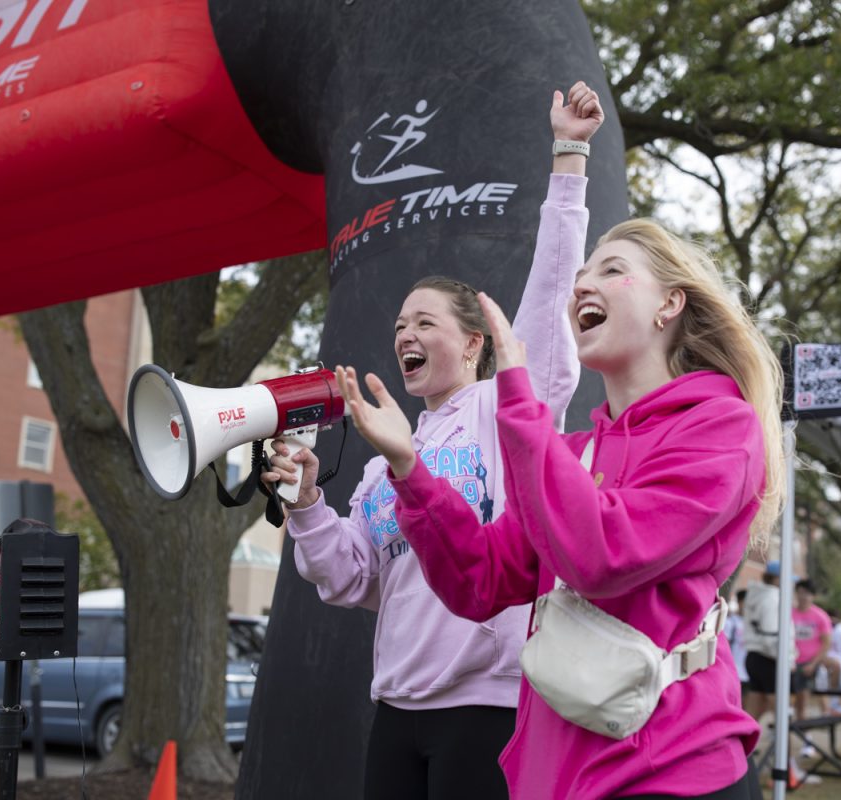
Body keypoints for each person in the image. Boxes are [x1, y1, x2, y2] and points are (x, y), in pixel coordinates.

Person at [337, 201, 787, 798]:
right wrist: (409, 468)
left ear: (669, 304)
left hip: (671, 770)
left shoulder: (720, 427)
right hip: (561, 775)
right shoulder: (576, 455)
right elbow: (482, 581)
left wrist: (518, 407)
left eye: (610, 270)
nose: (583, 285)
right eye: (581, 277)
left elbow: (603, 554)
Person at [262, 81, 603, 800]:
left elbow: (548, 292)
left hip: (491, 704)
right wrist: (305, 504)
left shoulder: (508, 402)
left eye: (424, 322)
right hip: (397, 707)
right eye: (397, 327)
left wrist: (569, 155)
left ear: (477, 341)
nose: (403, 335)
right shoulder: (389, 451)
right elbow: (351, 578)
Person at [742, 561, 794, 725]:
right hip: (770, 658)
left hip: (755, 656)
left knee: (753, 709)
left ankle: (744, 749)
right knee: (782, 713)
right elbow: (770, 635)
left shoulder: (757, 595)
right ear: (777, 579)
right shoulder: (772, 599)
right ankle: (784, 750)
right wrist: (787, 659)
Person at [791, 579, 833, 722]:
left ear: (813, 596)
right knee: (791, 703)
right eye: (800, 592)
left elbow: (826, 643)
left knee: (803, 701)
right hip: (792, 664)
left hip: (810, 664)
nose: (803, 597)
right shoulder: (789, 614)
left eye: (807, 593)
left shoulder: (820, 616)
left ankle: (806, 737)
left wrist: (813, 664)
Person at [726, 589, 750, 692]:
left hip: (750, 672)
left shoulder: (754, 625)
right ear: (740, 602)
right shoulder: (730, 622)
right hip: (734, 672)